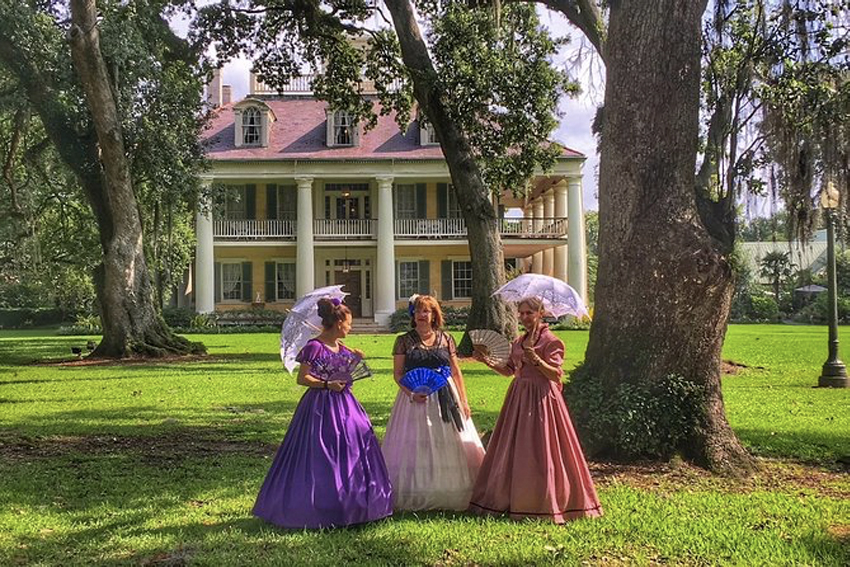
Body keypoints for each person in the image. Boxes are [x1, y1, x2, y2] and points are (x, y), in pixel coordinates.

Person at [253, 298, 393, 528]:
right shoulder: (314, 347)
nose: (350, 327)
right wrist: (327, 385)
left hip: (346, 405)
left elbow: (345, 372)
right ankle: (317, 505)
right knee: (321, 452)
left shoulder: (342, 348)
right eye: (349, 323)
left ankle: (351, 502)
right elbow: (303, 378)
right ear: (338, 322)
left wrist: (355, 359)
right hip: (320, 407)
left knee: (351, 448)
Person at [469, 296, 602, 523]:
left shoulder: (552, 341)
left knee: (544, 447)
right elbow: (510, 370)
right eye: (521, 313)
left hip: (542, 399)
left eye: (529, 313)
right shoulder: (519, 341)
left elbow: (555, 374)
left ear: (541, 313)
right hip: (518, 397)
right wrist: (486, 361)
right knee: (515, 445)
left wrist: (537, 359)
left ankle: (547, 499)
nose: (524, 317)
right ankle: (511, 495)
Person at [381, 295, 485, 511]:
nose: (421, 315)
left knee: (448, 440)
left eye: (426, 311)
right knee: (416, 441)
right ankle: (417, 489)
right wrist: (411, 393)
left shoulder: (446, 339)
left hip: (446, 396)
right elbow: (398, 374)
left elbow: (456, 372)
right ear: (413, 315)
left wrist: (464, 401)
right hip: (414, 399)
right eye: (418, 311)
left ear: (434, 315)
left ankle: (449, 490)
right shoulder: (403, 340)